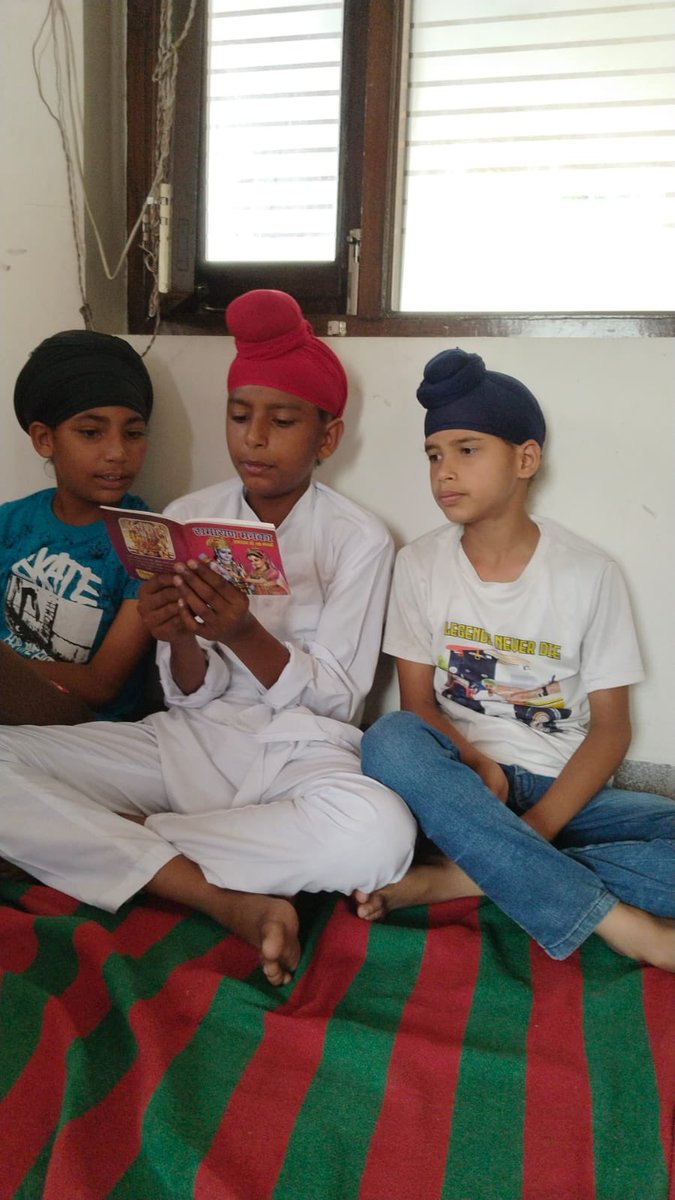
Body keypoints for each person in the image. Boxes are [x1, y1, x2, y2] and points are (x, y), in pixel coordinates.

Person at [0, 290, 415, 984]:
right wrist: (181, 637)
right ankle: (215, 892)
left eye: (281, 421)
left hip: (298, 755)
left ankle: (114, 842)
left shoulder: (358, 538)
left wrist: (245, 631)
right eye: (238, 416)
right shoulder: (190, 516)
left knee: (382, 835)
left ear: (326, 436)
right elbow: (185, 694)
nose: (253, 439)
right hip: (186, 743)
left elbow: (339, 703)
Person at [355, 348, 675, 972]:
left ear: (525, 459)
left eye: (467, 449)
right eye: (434, 455)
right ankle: (623, 925)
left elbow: (613, 727)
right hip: (458, 782)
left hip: (562, 790)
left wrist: (541, 826)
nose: (444, 471)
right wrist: (479, 766)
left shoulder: (588, 573)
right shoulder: (419, 565)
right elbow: (418, 706)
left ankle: (464, 875)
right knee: (389, 740)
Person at [0, 330, 155, 724]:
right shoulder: (11, 522)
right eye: (91, 433)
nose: (118, 453)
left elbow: (101, 685)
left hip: (81, 726)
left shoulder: (147, 543)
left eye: (133, 433)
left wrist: (10, 673)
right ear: (43, 438)